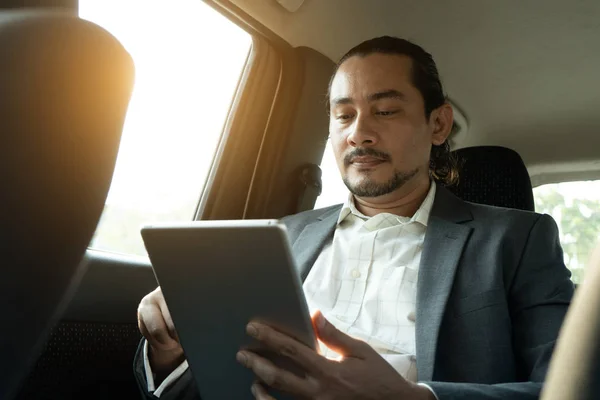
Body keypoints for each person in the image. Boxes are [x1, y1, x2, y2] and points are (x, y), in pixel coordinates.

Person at [134, 36, 574, 400]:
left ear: (438, 125)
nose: (359, 132)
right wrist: (169, 352)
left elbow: (570, 387)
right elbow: (223, 377)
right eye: (343, 115)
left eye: (384, 111)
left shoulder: (517, 239)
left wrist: (411, 398)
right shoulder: (282, 235)